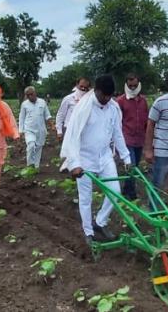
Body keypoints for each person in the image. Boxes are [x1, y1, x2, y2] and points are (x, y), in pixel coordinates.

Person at [60, 75, 131, 245]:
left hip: (105, 156)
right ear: (96, 91)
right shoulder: (84, 107)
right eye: (104, 95)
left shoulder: (113, 108)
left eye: (110, 96)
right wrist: (75, 164)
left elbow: (117, 133)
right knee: (85, 198)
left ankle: (100, 222)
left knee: (115, 191)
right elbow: (72, 137)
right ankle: (89, 232)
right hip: (84, 158)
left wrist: (126, 157)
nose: (107, 99)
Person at [116, 73, 148, 199]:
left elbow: (146, 120)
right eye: (131, 85)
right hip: (126, 138)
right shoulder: (120, 101)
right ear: (126, 85)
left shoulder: (143, 101)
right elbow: (116, 122)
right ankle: (131, 193)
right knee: (131, 166)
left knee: (135, 166)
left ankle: (126, 189)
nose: (133, 88)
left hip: (140, 139)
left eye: (135, 85)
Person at [19, 86, 53, 169]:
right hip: (29, 130)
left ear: (35, 93)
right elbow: (21, 118)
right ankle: (30, 165)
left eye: (31, 94)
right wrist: (20, 131)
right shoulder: (24, 104)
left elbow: (47, 115)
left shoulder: (42, 102)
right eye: (28, 95)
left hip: (41, 130)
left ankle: (36, 167)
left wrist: (52, 125)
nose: (30, 96)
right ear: (26, 96)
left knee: (38, 148)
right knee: (31, 145)